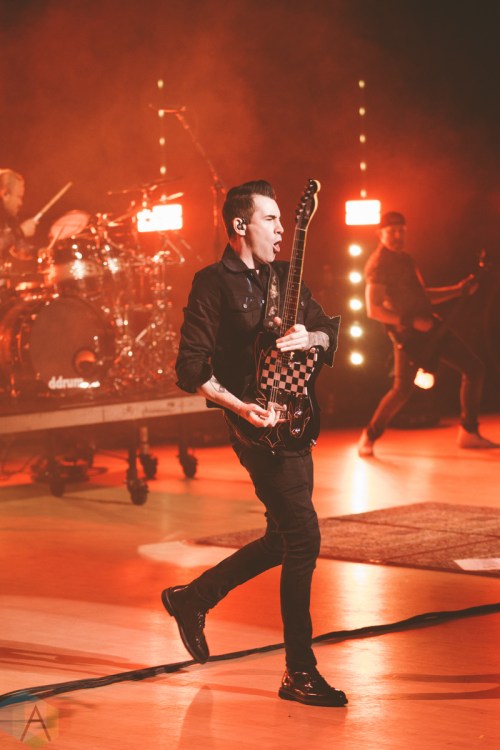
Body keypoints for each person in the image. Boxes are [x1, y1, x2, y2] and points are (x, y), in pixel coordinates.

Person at [162, 179, 347, 707]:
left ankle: (193, 597)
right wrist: (240, 407)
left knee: (282, 539)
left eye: (284, 220)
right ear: (240, 225)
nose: (282, 229)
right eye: (271, 219)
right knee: (304, 539)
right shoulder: (212, 283)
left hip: (299, 422)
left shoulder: (286, 277)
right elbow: (190, 367)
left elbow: (330, 330)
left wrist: (311, 337)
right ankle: (299, 672)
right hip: (255, 429)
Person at [357, 210, 498, 457]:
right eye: (392, 231)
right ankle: (369, 435)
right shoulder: (378, 265)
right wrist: (412, 322)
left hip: (432, 328)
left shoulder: (406, 259)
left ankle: (468, 431)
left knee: (474, 368)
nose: (398, 236)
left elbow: (423, 298)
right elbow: (374, 309)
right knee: (402, 390)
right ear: (380, 234)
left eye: (401, 230)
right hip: (408, 338)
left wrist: (457, 290)